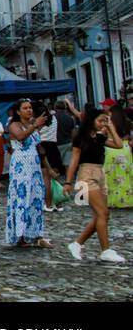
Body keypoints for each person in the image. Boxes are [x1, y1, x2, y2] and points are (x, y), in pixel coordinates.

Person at [64, 108, 126, 262]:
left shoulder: (100, 137)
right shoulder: (80, 137)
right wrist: (68, 182)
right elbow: (74, 160)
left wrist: (110, 127)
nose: (102, 124)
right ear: (91, 120)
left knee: (101, 215)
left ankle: (77, 244)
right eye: (100, 121)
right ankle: (105, 250)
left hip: (100, 174)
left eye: (104, 121)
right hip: (86, 175)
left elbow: (119, 145)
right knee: (103, 213)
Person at [4, 98, 50, 250]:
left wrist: (48, 168)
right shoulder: (14, 125)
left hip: (34, 166)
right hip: (21, 166)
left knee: (35, 198)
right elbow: (20, 137)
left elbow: (39, 147)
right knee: (22, 198)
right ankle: (20, 235)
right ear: (18, 111)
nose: (29, 110)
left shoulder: (32, 125)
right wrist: (35, 126)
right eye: (25, 108)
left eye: (30, 107)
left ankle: (36, 234)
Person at [37, 97, 67, 213]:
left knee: (46, 179)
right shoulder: (53, 118)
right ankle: (57, 202)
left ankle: (48, 204)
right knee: (55, 177)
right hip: (54, 147)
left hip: (43, 146)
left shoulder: (39, 122)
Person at [103, 105, 133, 208]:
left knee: (112, 175)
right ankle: (127, 199)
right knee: (125, 175)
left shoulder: (109, 124)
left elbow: (104, 135)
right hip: (125, 148)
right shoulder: (128, 122)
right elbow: (130, 136)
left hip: (112, 148)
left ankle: (113, 200)